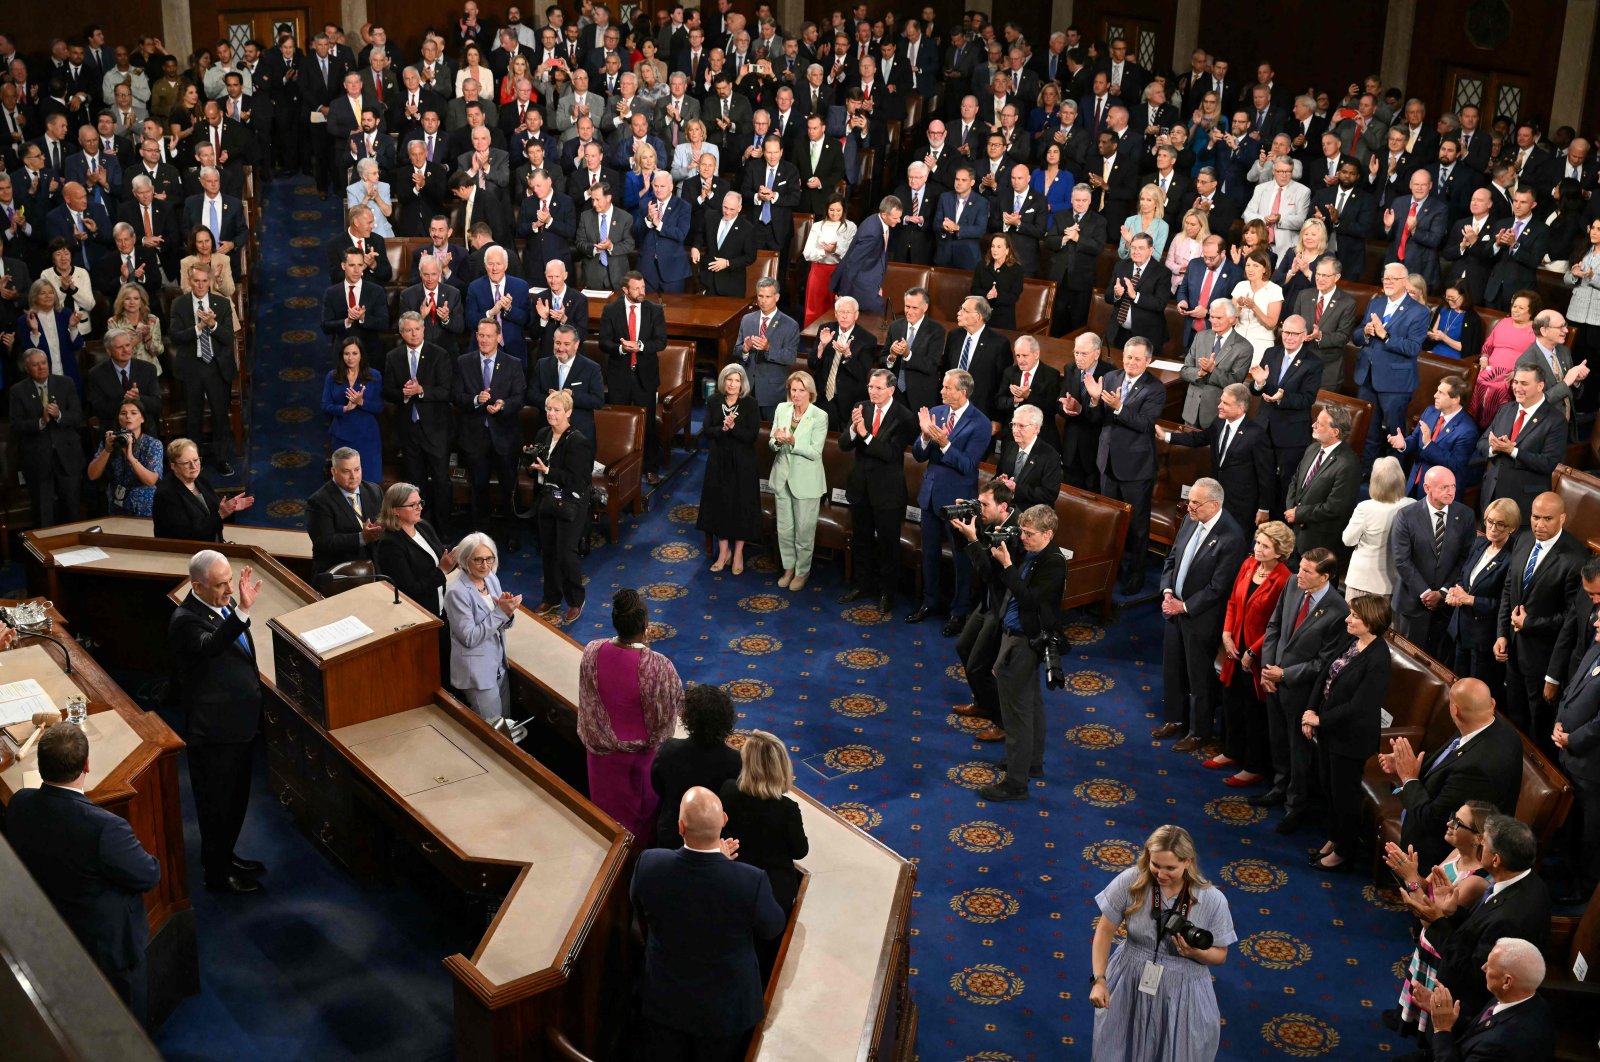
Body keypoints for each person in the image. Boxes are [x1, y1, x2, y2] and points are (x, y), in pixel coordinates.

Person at [6, 723, 162, 1023]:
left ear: (40, 765)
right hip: (107, 949)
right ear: (87, 765)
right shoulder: (105, 828)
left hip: (51, 935)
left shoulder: (20, 803)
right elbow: (148, 875)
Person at [630, 786, 786, 1060]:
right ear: (724, 820)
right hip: (725, 1012)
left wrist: (719, 866)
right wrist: (725, 867)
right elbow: (772, 928)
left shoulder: (650, 864)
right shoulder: (750, 881)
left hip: (665, 999)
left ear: (680, 827)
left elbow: (637, 903)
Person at [1088, 824, 1236, 1062]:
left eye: (1171, 868)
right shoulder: (1131, 881)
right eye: (1156, 864)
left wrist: (1196, 953)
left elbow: (1221, 955)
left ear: (1187, 862)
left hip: (1183, 990)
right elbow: (1104, 931)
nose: (1161, 874)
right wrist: (1099, 980)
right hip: (1128, 979)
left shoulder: (1212, 899)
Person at [169, 549, 266, 894]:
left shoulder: (220, 606)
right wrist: (242, 610)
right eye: (220, 585)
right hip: (214, 733)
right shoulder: (185, 619)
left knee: (236, 800)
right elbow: (211, 646)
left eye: (229, 582)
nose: (228, 591)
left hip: (237, 724)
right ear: (197, 585)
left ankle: (227, 855)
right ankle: (217, 873)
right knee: (216, 807)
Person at [961, 502, 1066, 799]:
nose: (1023, 538)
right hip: (1018, 637)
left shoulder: (1053, 562)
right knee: (1031, 705)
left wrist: (1008, 565)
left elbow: (1030, 599)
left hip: (1023, 642)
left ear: (1048, 533)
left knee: (1017, 712)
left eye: (1030, 534)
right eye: (1022, 531)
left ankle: (1016, 782)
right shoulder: (1034, 554)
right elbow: (1001, 582)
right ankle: (1031, 763)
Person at [1381, 798, 1497, 1040]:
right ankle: (1405, 1020)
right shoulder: (1456, 852)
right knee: (1415, 982)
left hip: (1440, 949)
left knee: (1430, 1004)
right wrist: (1411, 872)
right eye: (1453, 817)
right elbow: (1428, 888)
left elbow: (1432, 919)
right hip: (1426, 943)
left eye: (1458, 822)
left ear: (1478, 838)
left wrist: (1410, 878)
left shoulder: (1475, 881)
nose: (1449, 823)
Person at [578, 587, 684, 847]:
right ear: (646, 626)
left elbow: (587, 697)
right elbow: (672, 709)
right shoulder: (659, 665)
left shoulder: (592, 650)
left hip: (600, 759)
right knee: (639, 832)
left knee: (606, 822)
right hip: (640, 763)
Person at [1256, 547, 1352, 827]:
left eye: (1308, 571)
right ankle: (1278, 787)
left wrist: (1284, 674)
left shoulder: (1338, 611)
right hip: (1274, 680)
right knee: (1278, 740)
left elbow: (1323, 663)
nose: (1299, 574)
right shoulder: (1292, 585)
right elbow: (1273, 627)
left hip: (1301, 691)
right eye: (1301, 568)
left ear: (1324, 577)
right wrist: (1267, 670)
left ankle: (1295, 806)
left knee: (1299, 751)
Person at [1424, 815, 1551, 1019]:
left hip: (1465, 1009)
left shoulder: (1509, 919)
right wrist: (1452, 912)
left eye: (1483, 844)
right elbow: (1479, 927)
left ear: (1496, 859)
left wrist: (1437, 921)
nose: (1478, 845)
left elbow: (1473, 972)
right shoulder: (1529, 880)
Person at [1301, 594, 1394, 869]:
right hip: (1330, 731)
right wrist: (1310, 713)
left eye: (1354, 615)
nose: (1347, 619)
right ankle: (1335, 837)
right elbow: (1325, 677)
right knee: (1330, 790)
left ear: (1371, 621)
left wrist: (1320, 720)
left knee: (1345, 797)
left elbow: (1359, 707)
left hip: (1350, 739)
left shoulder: (1379, 659)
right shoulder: (1351, 640)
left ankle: (1344, 851)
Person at [907, 369, 991, 631]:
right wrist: (924, 436)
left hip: (958, 501)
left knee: (960, 558)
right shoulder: (937, 412)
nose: (941, 391)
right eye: (942, 386)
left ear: (962, 392)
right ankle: (930, 601)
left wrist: (944, 443)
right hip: (930, 495)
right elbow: (920, 456)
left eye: (947, 388)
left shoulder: (980, 423)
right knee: (929, 553)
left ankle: (959, 611)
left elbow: (967, 465)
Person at [1212, 520, 1295, 784]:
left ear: (1280, 552)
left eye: (1265, 546)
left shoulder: (1285, 580)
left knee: (1253, 710)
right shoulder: (1248, 564)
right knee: (1231, 700)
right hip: (1234, 647)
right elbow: (1233, 603)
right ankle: (1231, 751)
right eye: (1257, 542)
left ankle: (1253, 765)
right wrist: (1226, 634)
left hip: (1259, 655)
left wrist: (1253, 651)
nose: (1257, 549)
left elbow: (1278, 624)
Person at [1090, 339, 1166, 594]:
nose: (1130, 362)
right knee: (1109, 522)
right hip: (1107, 461)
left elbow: (1146, 424)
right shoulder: (1111, 377)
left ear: (1148, 361)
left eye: (1136, 359)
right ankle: (1108, 571)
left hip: (1135, 468)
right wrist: (1091, 401)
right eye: (1127, 357)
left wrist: (1119, 407)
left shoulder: (1155, 388)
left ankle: (1135, 575)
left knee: (1137, 527)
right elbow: (1099, 418)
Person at [839, 368, 917, 614]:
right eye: (870, 387)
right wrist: (853, 428)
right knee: (861, 540)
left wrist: (865, 435)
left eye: (878, 388)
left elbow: (890, 454)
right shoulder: (861, 406)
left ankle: (887, 593)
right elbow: (843, 444)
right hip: (860, 487)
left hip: (887, 492)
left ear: (891, 390)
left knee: (887, 545)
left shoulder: (903, 416)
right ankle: (862, 585)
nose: (872, 392)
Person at [1413, 937, 1556, 1062]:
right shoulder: (1523, 996)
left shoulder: (1500, 1046)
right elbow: (1481, 1029)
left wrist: (1441, 1029)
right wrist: (1449, 1017)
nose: (1483, 968)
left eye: (1489, 965)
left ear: (1506, 981)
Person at [454, 318, 529, 549]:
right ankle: (481, 537)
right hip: (475, 436)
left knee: (509, 487)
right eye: (481, 335)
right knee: (479, 488)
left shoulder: (512, 363)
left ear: (499, 337)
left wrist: (503, 405)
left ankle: (513, 533)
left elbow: (520, 397)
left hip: (504, 436)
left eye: (489, 335)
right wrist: (476, 399)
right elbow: (456, 396)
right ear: (476, 336)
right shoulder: (463, 362)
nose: (484, 339)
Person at [719, 730, 809, 913]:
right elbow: (800, 851)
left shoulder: (728, 791)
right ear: (781, 768)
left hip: (736, 880)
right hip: (774, 891)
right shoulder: (787, 809)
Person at [373, 480, 455, 676]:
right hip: (421, 617)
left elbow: (438, 556)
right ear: (395, 511)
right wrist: (442, 571)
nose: (419, 508)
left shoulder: (423, 526)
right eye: (413, 505)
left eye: (420, 503)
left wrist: (452, 560)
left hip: (443, 608)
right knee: (434, 669)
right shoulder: (390, 544)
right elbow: (409, 590)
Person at [526, 388, 594, 623]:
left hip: (570, 502)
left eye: (556, 410)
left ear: (569, 412)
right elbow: (535, 466)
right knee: (549, 551)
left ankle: (576, 600)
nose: (551, 414)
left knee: (566, 554)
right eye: (548, 409)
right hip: (547, 499)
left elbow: (579, 480)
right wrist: (531, 464)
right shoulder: (543, 434)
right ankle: (552, 596)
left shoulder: (578, 441)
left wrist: (548, 471)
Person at [384, 311, 456, 526]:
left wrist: (422, 390)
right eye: (408, 330)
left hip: (436, 429)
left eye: (417, 329)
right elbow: (388, 391)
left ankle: (442, 527)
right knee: (415, 483)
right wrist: (403, 394)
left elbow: (446, 391)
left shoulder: (439, 354)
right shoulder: (393, 356)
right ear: (401, 332)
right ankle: (419, 526)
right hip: (409, 429)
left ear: (424, 330)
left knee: (441, 481)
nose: (413, 334)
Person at [651, 684, 742, 851]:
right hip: (715, 840)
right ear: (728, 720)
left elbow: (657, 786)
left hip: (673, 832)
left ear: (688, 719)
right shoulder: (736, 762)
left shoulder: (669, 749)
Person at [447, 531, 521, 726]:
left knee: (506, 723)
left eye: (489, 559)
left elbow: (502, 624)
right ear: (465, 560)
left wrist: (509, 612)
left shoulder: (491, 579)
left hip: (498, 665)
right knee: (494, 730)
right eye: (478, 560)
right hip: (478, 673)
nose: (485, 565)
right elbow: (469, 637)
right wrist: (500, 613)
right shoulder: (457, 593)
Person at [170, 263, 238, 476]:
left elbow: (228, 338)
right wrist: (198, 328)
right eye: (196, 281)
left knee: (220, 414)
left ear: (210, 281)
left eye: (204, 281)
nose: (200, 285)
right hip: (192, 367)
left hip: (216, 367)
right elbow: (176, 337)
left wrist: (213, 325)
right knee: (194, 416)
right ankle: (192, 460)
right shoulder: (179, 304)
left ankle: (222, 458)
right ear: (190, 281)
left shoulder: (222, 303)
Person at [1447, 497, 1520, 692]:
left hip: (1484, 638)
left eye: (1500, 524)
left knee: (1475, 690)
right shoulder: (1480, 543)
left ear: (1511, 527)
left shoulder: (1512, 558)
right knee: (1455, 683)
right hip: (1461, 629)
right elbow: (1464, 575)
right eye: (1489, 521)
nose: (1492, 528)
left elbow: (1505, 604)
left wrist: (1471, 600)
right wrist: (1457, 590)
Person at [696, 363, 761, 574]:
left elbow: (751, 436)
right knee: (720, 505)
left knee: (740, 506)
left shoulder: (750, 404)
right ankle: (724, 552)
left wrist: (733, 427)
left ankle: (739, 553)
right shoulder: (714, 401)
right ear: (724, 381)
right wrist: (723, 429)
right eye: (729, 380)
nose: (732, 384)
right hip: (719, 461)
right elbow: (706, 430)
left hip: (743, 463)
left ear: (742, 384)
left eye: (737, 380)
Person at [8, 347, 85, 527]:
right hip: (38, 458)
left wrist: (59, 415)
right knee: (44, 512)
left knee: (72, 506)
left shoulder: (66, 383)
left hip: (67, 455)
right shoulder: (18, 391)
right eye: (35, 365)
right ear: (27, 368)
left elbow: (77, 416)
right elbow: (16, 425)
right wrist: (41, 422)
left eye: (44, 363)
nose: (41, 367)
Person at [769, 370, 828, 592]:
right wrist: (777, 441)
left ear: (810, 392)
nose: (796, 395)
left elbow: (815, 452)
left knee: (804, 531)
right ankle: (788, 568)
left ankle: (803, 571)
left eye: (801, 390)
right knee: (784, 530)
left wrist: (793, 442)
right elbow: (772, 442)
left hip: (807, 481)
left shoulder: (819, 416)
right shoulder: (781, 409)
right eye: (793, 390)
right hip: (782, 477)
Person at [153, 437, 254, 541]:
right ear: (173, 466)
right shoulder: (165, 494)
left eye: (196, 460)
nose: (194, 466)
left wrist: (229, 508)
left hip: (211, 544)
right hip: (186, 552)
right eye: (186, 463)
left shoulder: (201, 481)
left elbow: (215, 513)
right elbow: (187, 534)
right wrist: (221, 514)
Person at [1341, 456, 1414, 601]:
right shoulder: (1412, 505)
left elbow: (1348, 540)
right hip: (1394, 584)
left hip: (1362, 582)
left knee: (1357, 622)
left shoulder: (1365, 508)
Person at [306, 447, 386, 579]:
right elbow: (325, 542)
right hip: (339, 573)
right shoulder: (318, 502)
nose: (353, 476)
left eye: (357, 469)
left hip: (375, 568)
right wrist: (362, 538)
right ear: (333, 471)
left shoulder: (374, 490)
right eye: (346, 471)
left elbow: (383, 522)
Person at [1466, 290, 1540, 426]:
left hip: (1513, 373)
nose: (1515, 310)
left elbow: (1536, 359)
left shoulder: (1535, 330)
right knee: (1476, 382)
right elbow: (1488, 345)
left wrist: (1520, 372)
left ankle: (1493, 427)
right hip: (1489, 368)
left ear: (1531, 311)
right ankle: (1470, 424)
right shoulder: (1504, 322)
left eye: (1521, 308)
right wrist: (1484, 358)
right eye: (1514, 306)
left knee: (1498, 390)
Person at [320, 337, 386, 479]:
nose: (350, 358)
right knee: (345, 481)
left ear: (361, 354)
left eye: (354, 353)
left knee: (368, 482)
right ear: (341, 355)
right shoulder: (332, 377)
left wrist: (361, 402)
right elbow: (325, 406)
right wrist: (344, 409)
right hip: (342, 435)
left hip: (367, 437)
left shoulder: (374, 376)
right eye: (346, 353)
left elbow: (380, 407)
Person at [734, 277, 799, 419]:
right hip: (747, 389)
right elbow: (736, 350)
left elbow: (790, 357)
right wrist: (744, 349)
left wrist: (768, 348)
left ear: (777, 297)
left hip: (772, 392)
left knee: (770, 435)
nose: (763, 301)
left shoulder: (790, 325)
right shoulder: (747, 319)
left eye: (768, 297)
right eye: (760, 296)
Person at [86, 398, 162, 516]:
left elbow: (151, 480)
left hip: (145, 507)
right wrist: (107, 450)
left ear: (142, 418)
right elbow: (92, 475)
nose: (128, 417)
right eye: (123, 413)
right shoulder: (111, 441)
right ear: (118, 418)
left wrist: (130, 457)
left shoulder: (152, 444)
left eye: (133, 413)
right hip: (117, 505)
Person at [800, 193, 854, 324]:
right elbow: (807, 253)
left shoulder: (850, 226)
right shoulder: (818, 226)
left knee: (836, 307)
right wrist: (824, 251)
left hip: (839, 271)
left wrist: (835, 250)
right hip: (818, 270)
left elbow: (850, 254)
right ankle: (811, 336)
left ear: (843, 210)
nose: (835, 213)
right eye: (831, 210)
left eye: (838, 210)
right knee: (815, 307)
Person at [1229, 251, 1283, 363]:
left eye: (1255, 265)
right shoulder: (1240, 286)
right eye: (1248, 265)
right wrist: (1238, 307)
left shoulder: (1275, 290)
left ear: (1264, 269)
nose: (1250, 269)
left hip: (1261, 342)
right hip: (1237, 339)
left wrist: (1254, 307)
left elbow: (1271, 324)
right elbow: (1231, 321)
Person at [106, 282, 165, 376]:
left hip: (150, 372)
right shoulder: (113, 322)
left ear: (142, 301)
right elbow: (115, 352)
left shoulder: (152, 320)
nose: (132, 302)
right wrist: (135, 341)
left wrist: (148, 338)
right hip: (126, 373)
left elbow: (158, 351)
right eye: (127, 298)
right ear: (122, 301)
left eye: (136, 298)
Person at [180, 225, 238, 300]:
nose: (204, 245)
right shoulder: (186, 262)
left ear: (212, 240)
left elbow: (229, 291)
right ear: (194, 244)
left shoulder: (223, 259)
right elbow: (186, 291)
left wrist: (218, 278)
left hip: (222, 307)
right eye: (200, 242)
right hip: (198, 307)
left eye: (207, 241)